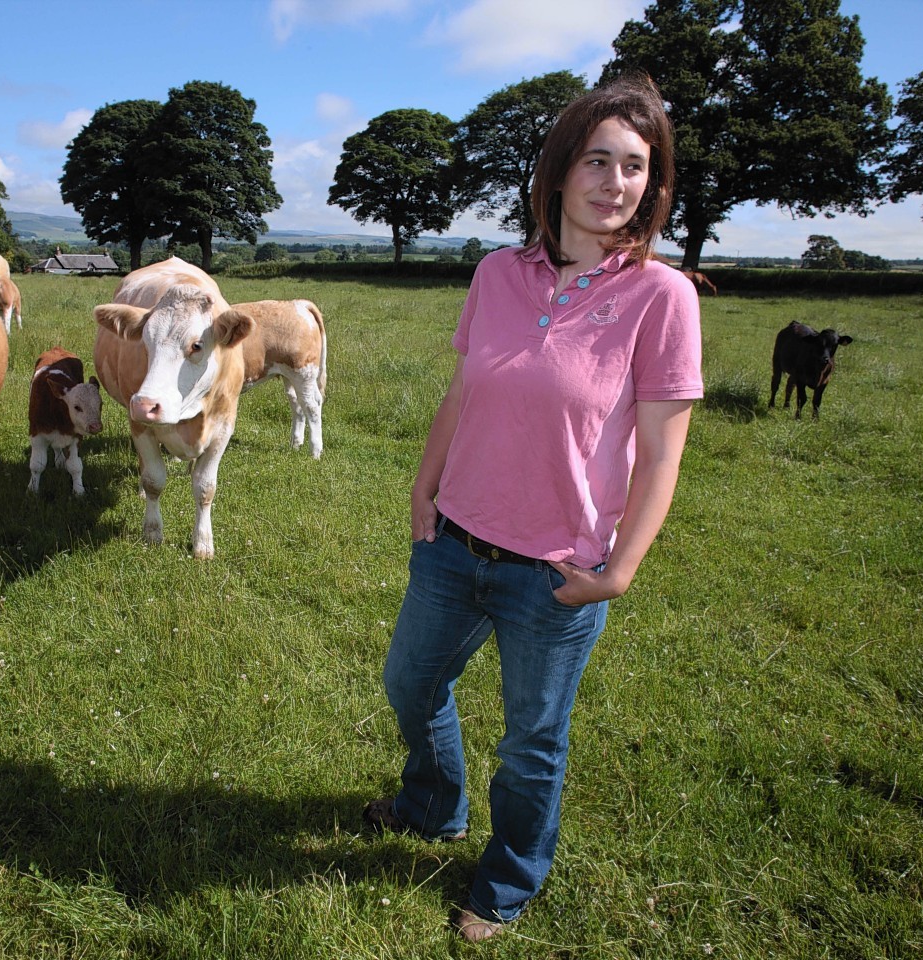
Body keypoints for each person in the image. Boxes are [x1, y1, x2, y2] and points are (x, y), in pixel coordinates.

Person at [363, 72, 703, 943]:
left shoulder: (662, 299)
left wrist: (618, 569)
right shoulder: (497, 274)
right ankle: (433, 803)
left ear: (654, 186)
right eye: (597, 160)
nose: (615, 182)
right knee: (411, 686)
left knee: (532, 744)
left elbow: (664, 450)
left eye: (637, 166)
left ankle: (509, 878)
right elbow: (462, 390)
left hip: (556, 572)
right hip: (454, 540)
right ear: (557, 173)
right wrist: (421, 488)